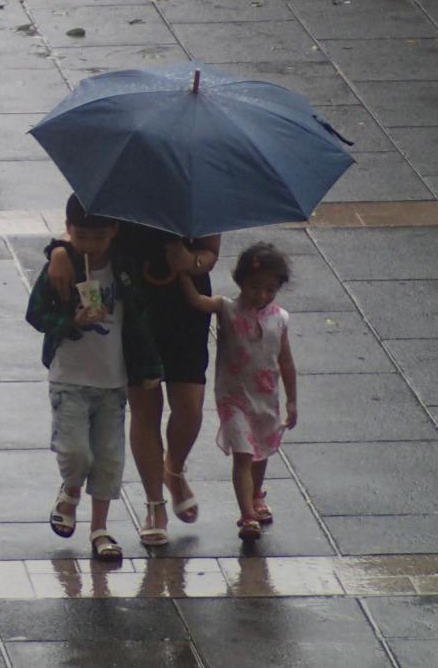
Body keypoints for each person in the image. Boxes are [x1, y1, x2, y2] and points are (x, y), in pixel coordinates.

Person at [52, 225, 220, 546]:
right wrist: (57, 252)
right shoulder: (124, 181)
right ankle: (155, 504)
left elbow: (211, 252)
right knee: (146, 408)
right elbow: (80, 228)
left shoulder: (198, 185)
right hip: (134, 303)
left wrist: (191, 260)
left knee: (189, 407)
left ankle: (173, 469)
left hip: (187, 303)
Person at [26, 196, 162, 564]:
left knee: (108, 459)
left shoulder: (124, 269)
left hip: (112, 379)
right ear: (68, 231)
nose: (90, 245)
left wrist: (149, 369)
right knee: (75, 451)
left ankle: (100, 529)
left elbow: (139, 322)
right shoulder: (62, 267)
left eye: (99, 237)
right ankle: (70, 490)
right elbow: (35, 313)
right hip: (69, 376)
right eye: (82, 237)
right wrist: (72, 321)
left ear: (114, 232)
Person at [178, 242, 298, 542]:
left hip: (266, 398)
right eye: (255, 287)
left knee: (261, 451)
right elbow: (196, 301)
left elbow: (286, 361)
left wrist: (292, 399)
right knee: (244, 454)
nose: (261, 295)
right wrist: (182, 271)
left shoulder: (280, 319)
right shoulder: (227, 308)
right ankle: (247, 514)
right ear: (241, 282)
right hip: (233, 399)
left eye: (269, 289)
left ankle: (256, 493)